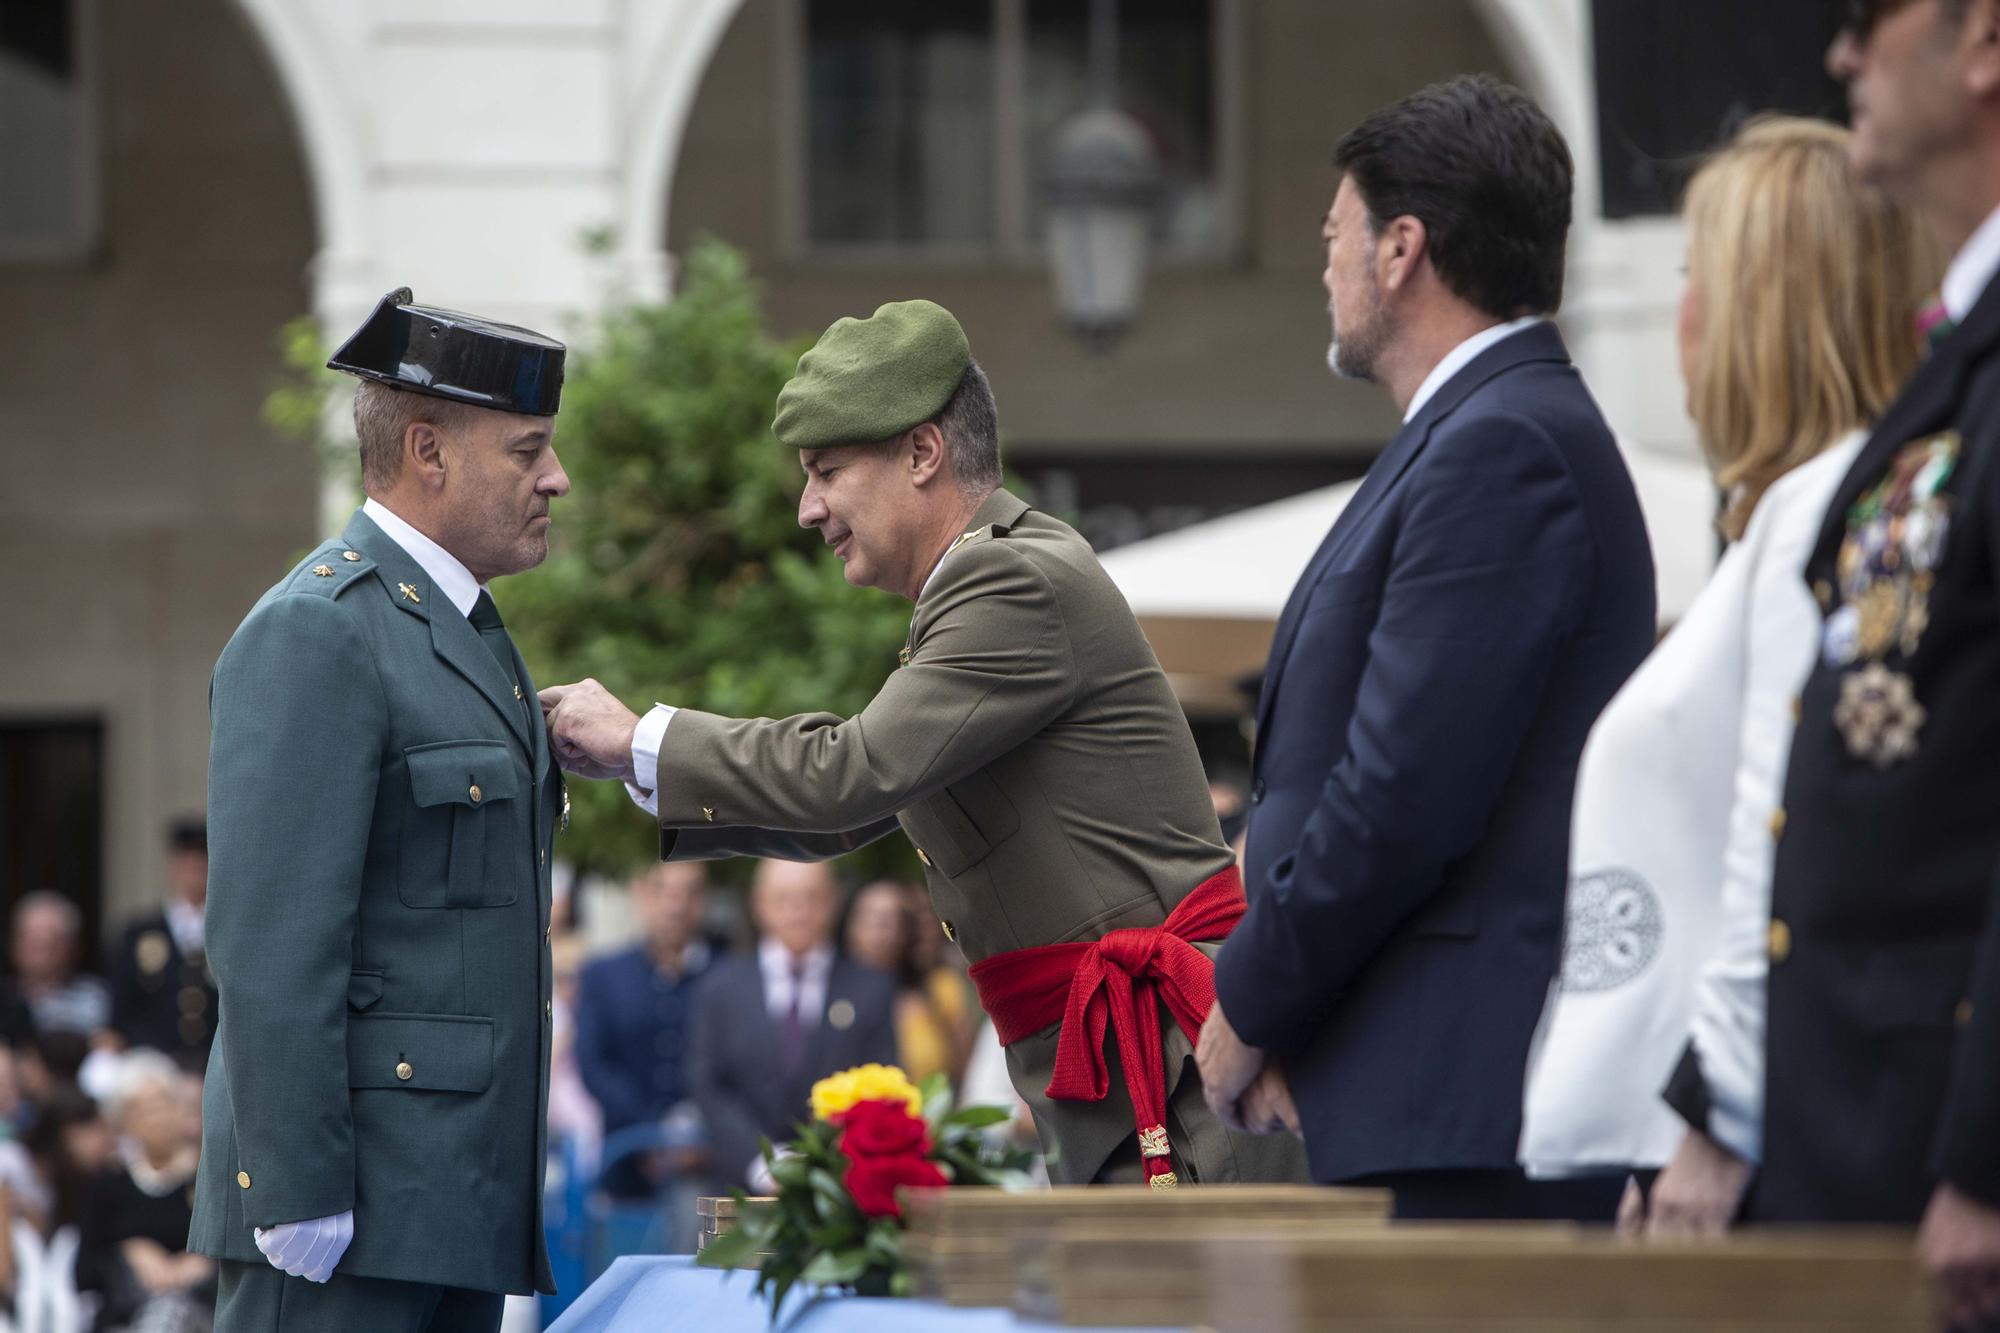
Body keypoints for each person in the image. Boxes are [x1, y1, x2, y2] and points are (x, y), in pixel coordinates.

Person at [542, 299, 1307, 1188]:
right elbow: (846, 806)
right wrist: (641, 758)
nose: (806, 508)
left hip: (1176, 1083)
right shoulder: (986, 582)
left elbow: (849, 775)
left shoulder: (1007, 575)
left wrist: (643, 738)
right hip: (1148, 1082)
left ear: (921, 452)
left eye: (827, 469)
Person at [1194, 74, 1656, 1222]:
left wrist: (1250, 1001)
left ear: (1401, 247)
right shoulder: (1478, 431)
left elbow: (1400, 791)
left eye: (1333, 232)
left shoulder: (1502, 444)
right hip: (1423, 1088)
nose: (1323, 263)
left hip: (1466, 1106)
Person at [1515, 117, 1936, 1218]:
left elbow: (1779, 845)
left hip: (1749, 1144)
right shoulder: (1788, 526)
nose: (1679, 315)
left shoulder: (1825, 522)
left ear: (1761, 304)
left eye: (1695, 275)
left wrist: (1712, 1117)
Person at [1686, 3, 2000, 1324]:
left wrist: (1987, 1155)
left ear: (1983, 39)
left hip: (1935, 1159)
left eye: (1871, 18)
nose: (1841, 55)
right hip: (1871, 1136)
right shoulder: (1958, 373)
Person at [188, 288, 571, 1332]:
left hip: (445, 1203)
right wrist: (295, 1181)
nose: (556, 478)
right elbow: (270, 940)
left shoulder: (465, 632)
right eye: (527, 450)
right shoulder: (322, 628)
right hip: (344, 1213)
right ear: (428, 452)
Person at [686, 860, 897, 1193]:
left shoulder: (870, 988)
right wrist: (760, 1160)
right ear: (759, 904)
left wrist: (826, 1159)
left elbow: (882, 1079)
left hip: (841, 1187)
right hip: (739, 1188)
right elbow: (709, 1085)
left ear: (833, 902)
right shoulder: (720, 988)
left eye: (811, 898)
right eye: (783, 898)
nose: (798, 911)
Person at [574, 862, 712, 1196]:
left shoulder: (725, 974)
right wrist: (651, 1132)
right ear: (641, 895)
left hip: (709, 1164)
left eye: (688, 892)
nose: (675, 905)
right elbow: (593, 1063)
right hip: (624, 1161)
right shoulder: (603, 975)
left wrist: (699, 1138)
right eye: (661, 890)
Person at [78, 1050, 213, 1331]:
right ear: (123, 1122)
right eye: (140, 1109)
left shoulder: (209, 1177)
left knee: (169, 1313)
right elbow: (83, 1272)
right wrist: (126, 1250)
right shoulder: (109, 1184)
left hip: (202, 1310)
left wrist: (205, 1260)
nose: (155, 1117)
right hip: (127, 1314)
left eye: (161, 1103)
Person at [842, 878, 974, 1087]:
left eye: (893, 921)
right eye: (873, 919)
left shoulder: (939, 989)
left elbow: (968, 1072)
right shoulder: (825, 993)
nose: (882, 932)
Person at [107, 819, 218, 1066]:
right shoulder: (140, 933)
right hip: (152, 1064)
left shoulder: (225, 934)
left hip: (214, 1065)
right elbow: (120, 1012)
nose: (195, 868)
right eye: (186, 861)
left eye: (202, 861)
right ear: (172, 865)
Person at [9, 894, 110, 1040]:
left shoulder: (98, 1000)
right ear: (13, 945)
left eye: (49, 943)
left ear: (74, 947)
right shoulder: (6, 999)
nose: (39, 952)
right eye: (32, 942)